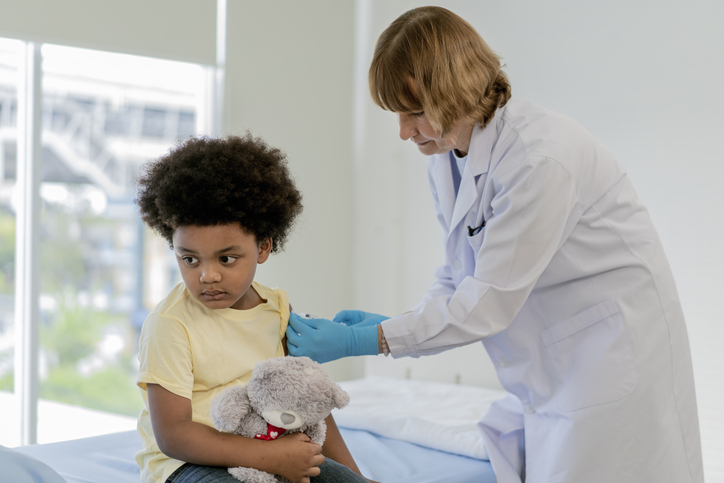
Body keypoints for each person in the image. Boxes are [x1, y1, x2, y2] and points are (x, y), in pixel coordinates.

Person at [286, 6, 703, 483]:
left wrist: (375, 341)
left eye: (414, 112)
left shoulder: (540, 157)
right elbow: (457, 274)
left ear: (454, 90)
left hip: (610, 359)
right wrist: (394, 327)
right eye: (396, 114)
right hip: (554, 368)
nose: (403, 131)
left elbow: (486, 303)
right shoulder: (447, 158)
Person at [134, 134, 371, 483]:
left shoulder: (276, 309)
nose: (207, 275)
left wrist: (356, 476)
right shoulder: (169, 325)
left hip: (273, 446)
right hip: (191, 463)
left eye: (226, 258)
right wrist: (270, 458)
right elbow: (173, 434)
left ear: (263, 247)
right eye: (189, 259)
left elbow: (306, 398)